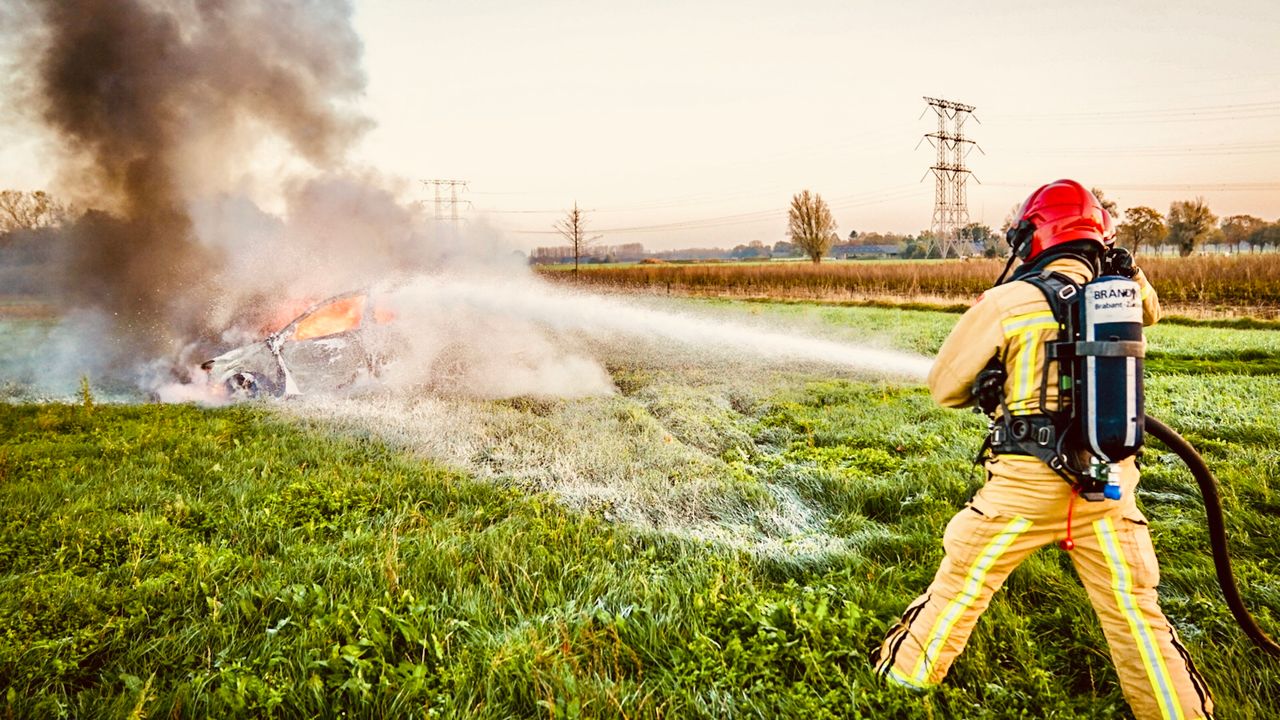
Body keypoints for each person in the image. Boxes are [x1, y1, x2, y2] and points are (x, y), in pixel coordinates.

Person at [872, 179, 1213, 720]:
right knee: (1136, 614)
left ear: (1034, 235)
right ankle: (1178, 712)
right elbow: (1151, 311)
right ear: (1098, 237)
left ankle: (903, 680)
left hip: (1024, 491)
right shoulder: (1119, 297)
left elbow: (944, 388)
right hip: (1109, 490)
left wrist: (988, 383)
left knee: (963, 583)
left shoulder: (1010, 302)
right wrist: (1125, 268)